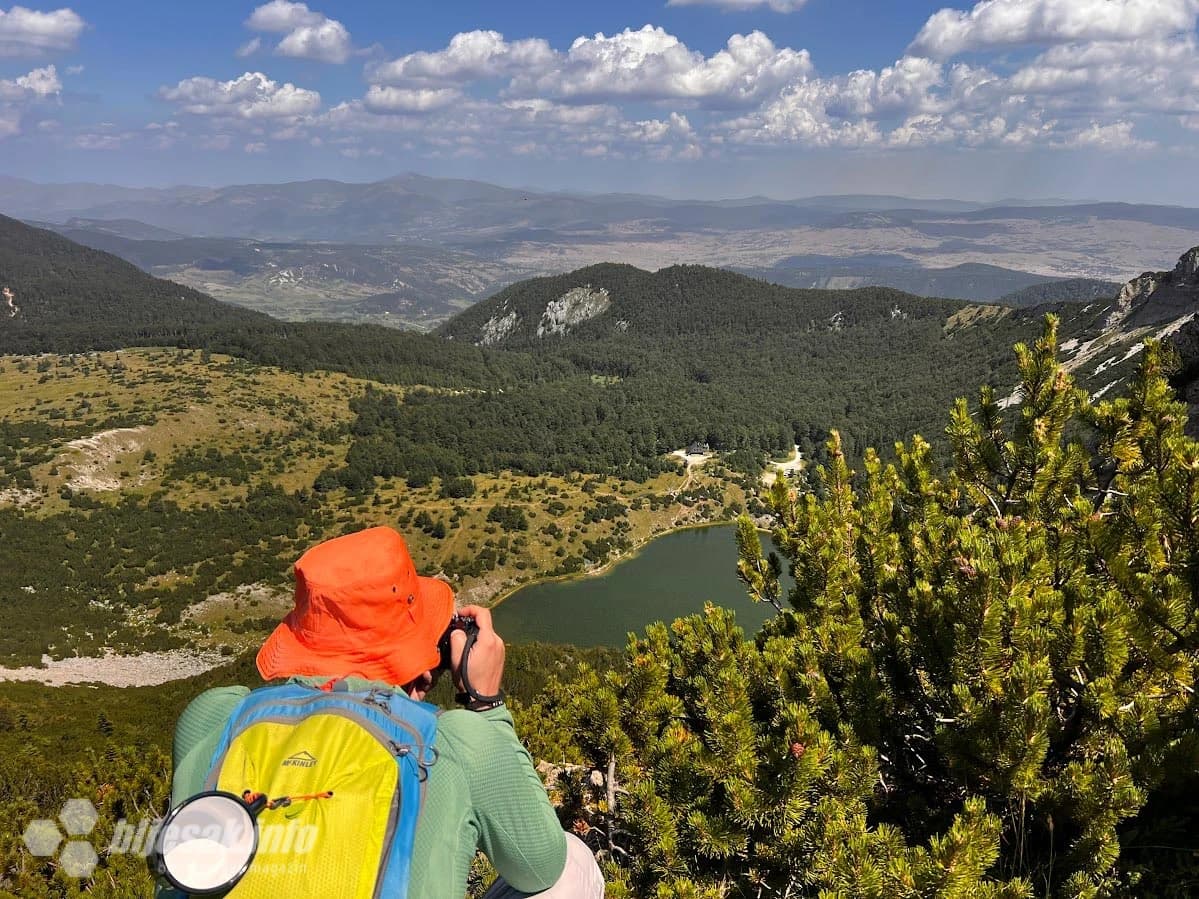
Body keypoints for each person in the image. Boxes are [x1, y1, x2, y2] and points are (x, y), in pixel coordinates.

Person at [167, 526, 604, 898]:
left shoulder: (213, 717)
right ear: (422, 670)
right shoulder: (452, 741)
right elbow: (540, 864)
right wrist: (484, 706)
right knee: (572, 865)